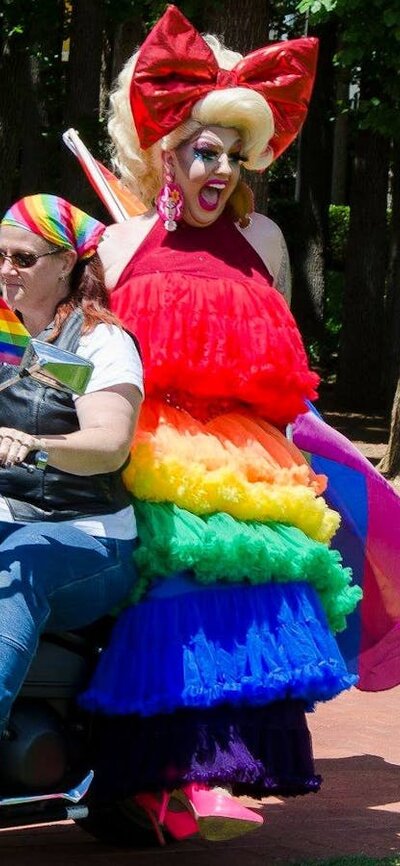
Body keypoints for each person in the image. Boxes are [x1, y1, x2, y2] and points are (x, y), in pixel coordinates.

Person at [80, 5, 362, 845]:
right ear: (165, 153)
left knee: (257, 594)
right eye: (206, 151)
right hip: (151, 452)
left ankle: (214, 768)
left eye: (234, 156)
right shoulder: (121, 245)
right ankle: (159, 777)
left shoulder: (264, 239)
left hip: (249, 458)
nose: (221, 170)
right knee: (174, 594)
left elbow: (284, 366)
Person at [0, 193, 143, 740]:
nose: (7, 270)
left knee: (17, 564)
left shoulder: (98, 341)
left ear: (65, 263)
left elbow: (109, 444)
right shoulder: (5, 331)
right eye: (0, 256)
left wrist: (33, 444)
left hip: (87, 536)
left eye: (23, 259)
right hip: (9, 519)